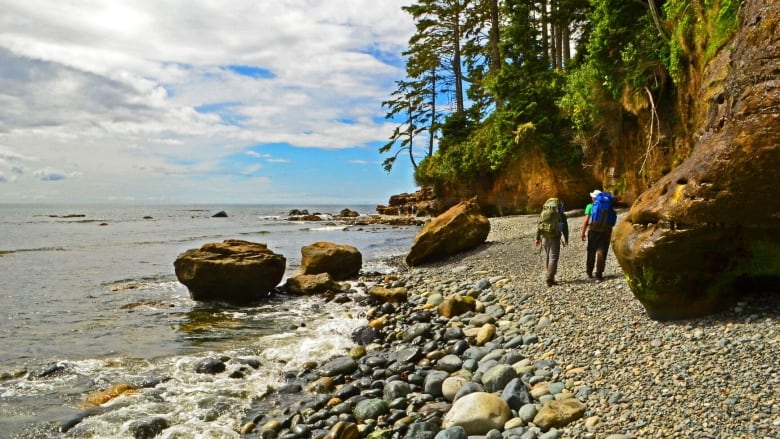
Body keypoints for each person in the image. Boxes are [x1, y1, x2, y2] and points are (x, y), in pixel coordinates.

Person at [534, 198, 569, 287]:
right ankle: (550, 277)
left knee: (548, 256)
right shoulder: (561, 215)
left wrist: (537, 238)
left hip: (545, 237)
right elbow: (565, 228)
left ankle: (549, 275)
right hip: (555, 238)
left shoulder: (543, 213)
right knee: (553, 257)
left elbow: (539, 226)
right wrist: (566, 238)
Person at [581, 189, 614, 282]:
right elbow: (611, 222)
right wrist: (610, 234)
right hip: (605, 231)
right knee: (602, 251)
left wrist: (583, 232)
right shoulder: (608, 207)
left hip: (593, 231)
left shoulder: (590, 206)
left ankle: (589, 271)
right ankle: (599, 274)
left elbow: (586, 221)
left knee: (591, 251)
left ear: (594, 198)